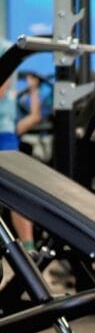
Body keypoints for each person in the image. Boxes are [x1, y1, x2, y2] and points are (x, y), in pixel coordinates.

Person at [0, 37, 42, 250]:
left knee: (16, 195)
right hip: (8, 132)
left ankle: (29, 249)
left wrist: (34, 90)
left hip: (3, 134)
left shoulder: (5, 49)